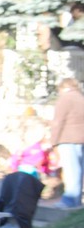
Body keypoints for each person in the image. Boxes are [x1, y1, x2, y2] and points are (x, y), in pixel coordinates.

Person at [51, 77, 84, 208]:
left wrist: (53, 141)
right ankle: (75, 200)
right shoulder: (81, 98)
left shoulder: (65, 99)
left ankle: (69, 200)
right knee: (78, 170)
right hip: (81, 140)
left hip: (67, 138)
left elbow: (58, 122)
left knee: (71, 170)